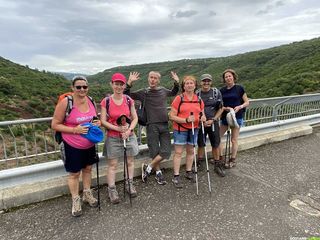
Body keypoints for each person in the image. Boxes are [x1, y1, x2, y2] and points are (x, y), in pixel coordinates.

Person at [51, 76, 99, 217]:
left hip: (89, 143)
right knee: (74, 174)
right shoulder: (66, 102)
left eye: (84, 87)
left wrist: (96, 123)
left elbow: (93, 118)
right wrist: (74, 130)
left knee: (88, 169)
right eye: (78, 87)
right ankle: (75, 199)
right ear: (73, 88)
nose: (82, 89)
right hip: (71, 144)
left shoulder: (91, 100)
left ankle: (87, 194)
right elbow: (54, 124)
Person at [124, 71, 180, 185]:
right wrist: (129, 82)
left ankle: (148, 167)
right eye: (151, 77)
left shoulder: (163, 90)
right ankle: (158, 173)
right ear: (148, 79)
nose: (153, 80)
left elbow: (174, 92)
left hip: (164, 123)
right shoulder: (144, 92)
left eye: (155, 78)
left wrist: (176, 82)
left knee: (166, 151)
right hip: (151, 124)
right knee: (154, 150)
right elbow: (128, 94)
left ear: (158, 80)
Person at [100, 73, 139, 204]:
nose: (119, 86)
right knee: (113, 165)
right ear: (112, 84)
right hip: (113, 137)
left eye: (121, 84)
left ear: (124, 86)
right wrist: (117, 129)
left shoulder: (128, 100)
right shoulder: (106, 101)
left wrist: (129, 130)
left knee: (130, 162)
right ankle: (112, 189)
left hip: (128, 136)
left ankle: (129, 184)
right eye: (116, 84)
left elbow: (135, 118)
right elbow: (103, 121)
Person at [169, 75, 206, 188]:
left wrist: (203, 118)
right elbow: (171, 116)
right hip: (180, 129)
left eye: (191, 83)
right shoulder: (179, 99)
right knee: (179, 153)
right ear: (183, 86)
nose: (189, 85)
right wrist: (185, 120)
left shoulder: (199, 99)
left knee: (190, 152)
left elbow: (202, 114)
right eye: (187, 83)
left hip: (194, 129)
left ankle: (189, 171)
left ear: (195, 85)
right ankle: (176, 175)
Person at [196, 74, 225, 177]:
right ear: (201, 82)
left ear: (211, 82)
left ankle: (217, 164)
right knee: (200, 144)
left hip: (213, 122)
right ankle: (199, 163)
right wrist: (201, 119)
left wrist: (214, 119)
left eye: (208, 81)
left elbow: (221, 108)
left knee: (215, 144)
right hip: (201, 123)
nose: (206, 83)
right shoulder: (197, 94)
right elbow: (195, 109)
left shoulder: (216, 92)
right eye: (204, 81)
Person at [219, 69, 249, 168]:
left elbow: (247, 102)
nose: (228, 78)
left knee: (234, 140)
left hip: (237, 116)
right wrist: (226, 108)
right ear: (224, 79)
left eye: (229, 76)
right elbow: (220, 104)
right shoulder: (222, 90)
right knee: (218, 137)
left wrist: (239, 107)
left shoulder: (239, 88)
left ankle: (233, 159)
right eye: (226, 77)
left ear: (233, 77)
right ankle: (220, 157)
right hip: (225, 116)